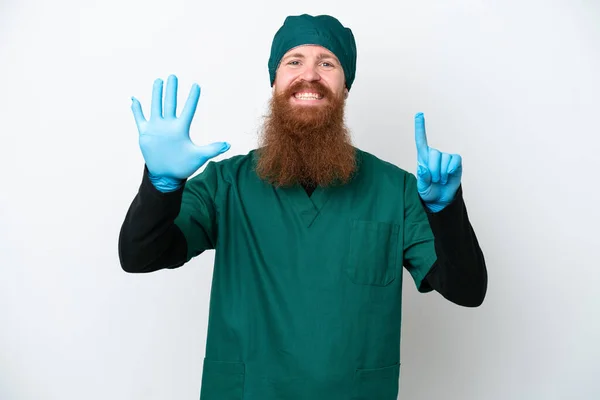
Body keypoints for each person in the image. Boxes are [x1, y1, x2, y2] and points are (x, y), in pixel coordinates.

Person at [118, 13, 487, 400]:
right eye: (293, 61)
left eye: (327, 63)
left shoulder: (394, 190)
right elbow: (139, 255)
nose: (309, 75)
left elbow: (467, 290)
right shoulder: (226, 185)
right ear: (274, 82)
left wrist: (446, 212)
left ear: (346, 87)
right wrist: (161, 186)